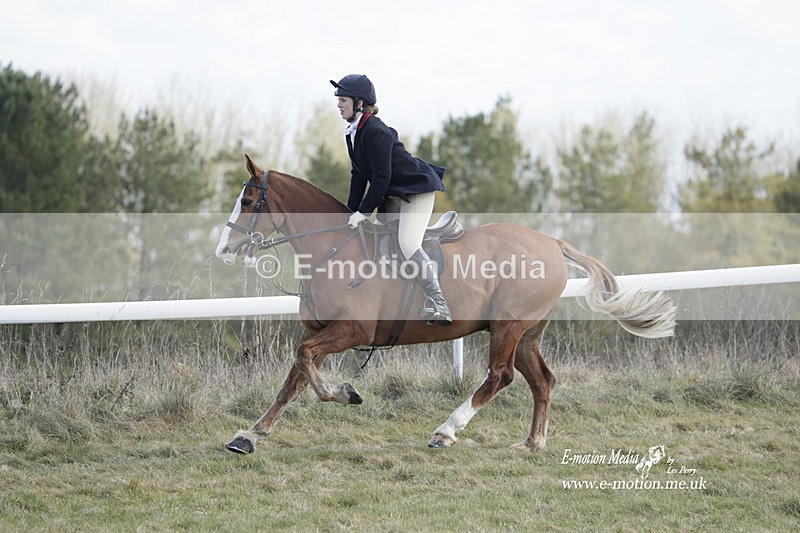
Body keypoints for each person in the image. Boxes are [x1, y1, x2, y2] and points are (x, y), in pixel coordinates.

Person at [330, 74, 452, 325]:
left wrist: (363, 212)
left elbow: (381, 178)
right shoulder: (354, 132)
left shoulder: (375, 131)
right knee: (379, 241)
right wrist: (349, 212)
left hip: (415, 190)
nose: (339, 105)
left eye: (343, 100)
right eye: (339, 100)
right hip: (393, 194)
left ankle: (439, 302)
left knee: (407, 243)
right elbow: (358, 175)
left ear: (359, 103)